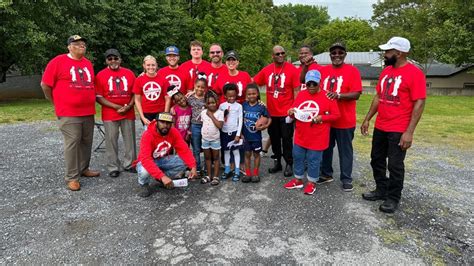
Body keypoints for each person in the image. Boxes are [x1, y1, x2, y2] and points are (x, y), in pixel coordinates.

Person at [361, 37, 426, 213]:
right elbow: (378, 97)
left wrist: (409, 132)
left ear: (399, 53)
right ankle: (381, 189)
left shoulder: (414, 73)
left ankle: (393, 197)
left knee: (395, 165)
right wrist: (368, 118)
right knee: (376, 159)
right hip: (381, 125)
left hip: (399, 128)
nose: (385, 54)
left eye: (388, 51)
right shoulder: (386, 71)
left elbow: (419, 102)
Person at [40, 35, 99, 191]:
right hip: (68, 112)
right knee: (73, 142)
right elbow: (45, 84)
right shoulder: (58, 61)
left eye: (83, 44)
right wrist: (54, 101)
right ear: (69, 47)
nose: (81, 46)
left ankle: (84, 168)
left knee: (86, 141)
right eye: (77, 43)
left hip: (87, 111)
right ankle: (72, 177)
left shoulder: (87, 63)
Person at [284, 70, 340, 195]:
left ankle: (311, 182)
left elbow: (336, 115)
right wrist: (291, 112)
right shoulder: (302, 94)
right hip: (301, 134)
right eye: (308, 84)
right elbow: (295, 110)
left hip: (318, 136)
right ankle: (298, 179)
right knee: (297, 156)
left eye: (314, 84)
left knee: (313, 159)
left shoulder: (328, 96)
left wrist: (322, 118)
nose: (311, 87)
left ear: (320, 82)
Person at [316, 42, 362, 192]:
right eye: (334, 53)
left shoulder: (352, 71)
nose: (337, 55)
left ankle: (346, 178)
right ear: (330, 55)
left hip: (345, 120)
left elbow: (356, 94)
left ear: (345, 54)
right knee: (326, 148)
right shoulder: (323, 70)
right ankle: (326, 174)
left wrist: (339, 95)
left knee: (345, 151)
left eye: (340, 52)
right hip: (328, 119)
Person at [254, 45, 300, 177]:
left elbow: (297, 91)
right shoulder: (268, 69)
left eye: (282, 53)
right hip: (272, 113)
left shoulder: (292, 69)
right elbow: (254, 83)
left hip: (287, 113)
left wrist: (294, 109)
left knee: (286, 139)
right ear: (272, 56)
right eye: (277, 54)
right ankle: (277, 162)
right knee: (274, 140)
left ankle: (289, 164)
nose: (280, 56)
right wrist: (258, 100)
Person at [95, 48, 137, 178]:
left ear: (120, 59)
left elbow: (135, 93)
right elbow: (98, 96)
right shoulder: (100, 75)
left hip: (128, 112)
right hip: (110, 113)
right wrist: (115, 106)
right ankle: (113, 166)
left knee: (130, 140)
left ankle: (130, 164)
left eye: (115, 58)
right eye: (110, 59)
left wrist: (129, 105)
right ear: (106, 61)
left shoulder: (129, 73)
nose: (113, 61)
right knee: (111, 140)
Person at [136, 112, 198, 197]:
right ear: (156, 121)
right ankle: (143, 184)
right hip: (146, 161)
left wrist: (193, 167)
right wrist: (162, 176)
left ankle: (162, 180)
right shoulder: (147, 135)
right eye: (162, 122)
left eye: (168, 123)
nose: (165, 125)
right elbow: (146, 159)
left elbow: (184, 150)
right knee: (144, 171)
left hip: (162, 159)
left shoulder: (173, 132)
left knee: (184, 161)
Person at [242, 84, 271, 183]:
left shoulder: (261, 107)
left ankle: (255, 173)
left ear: (257, 94)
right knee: (246, 154)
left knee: (256, 155)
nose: (251, 96)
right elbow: (239, 119)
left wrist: (265, 126)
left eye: (254, 93)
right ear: (246, 95)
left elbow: (269, 118)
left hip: (256, 137)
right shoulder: (243, 105)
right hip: (246, 136)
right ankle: (248, 173)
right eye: (249, 94)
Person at [133, 55, 170, 127]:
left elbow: (167, 98)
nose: (151, 67)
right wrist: (142, 117)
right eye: (148, 65)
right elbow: (137, 100)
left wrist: (164, 115)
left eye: (153, 65)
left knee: (161, 135)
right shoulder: (139, 80)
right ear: (144, 65)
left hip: (160, 112)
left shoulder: (163, 80)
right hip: (146, 113)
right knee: (149, 135)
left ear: (156, 65)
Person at [219, 83, 244, 182]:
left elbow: (240, 120)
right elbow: (220, 118)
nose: (232, 98)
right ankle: (227, 169)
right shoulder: (222, 106)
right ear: (225, 95)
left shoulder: (239, 106)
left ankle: (237, 171)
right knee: (226, 151)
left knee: (236, 151)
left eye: (234, 96)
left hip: (234, 133)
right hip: (224, 132)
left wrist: (238, 134)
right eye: (229, 96)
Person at [200, 91, 224, 185]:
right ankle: (209, 176)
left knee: (216, 158)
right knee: (207, 158)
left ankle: (216, 177)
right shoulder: (203, 113)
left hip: (215, 140)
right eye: (209, 103)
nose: (211, 105)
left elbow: (220, 126)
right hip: (205, 139)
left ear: (217, 102)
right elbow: (204, 124)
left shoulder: (220, 113)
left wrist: (211, 116)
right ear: (206, 103)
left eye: (213, 102)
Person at [187, 73, 208, 175]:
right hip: (194, 125)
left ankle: (207, 166)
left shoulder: (207, 98)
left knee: (206, 147)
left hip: (206, 126)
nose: (200, 89)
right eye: (198, 86)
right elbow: (182, 107)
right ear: (194, 86)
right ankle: (197, 167)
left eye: (202, 87)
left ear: (205, 88)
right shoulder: (189, 98)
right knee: (196, 148)